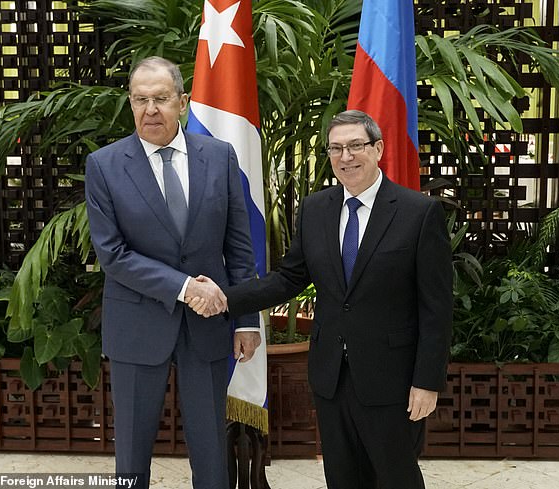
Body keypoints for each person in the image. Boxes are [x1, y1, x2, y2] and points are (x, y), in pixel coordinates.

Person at [189, 110, 452, 489]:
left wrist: (427, 381)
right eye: (336, 148)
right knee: (342, 478)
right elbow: (288, 278)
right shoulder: (316, 209)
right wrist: (224, 297)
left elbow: (436, 308)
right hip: (331, 376)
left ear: (377, 149)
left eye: (356, 146)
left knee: (397, 478)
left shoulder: (419, 213)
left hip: (392, 380)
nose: (346, 157)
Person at [84, 56, 261, 489]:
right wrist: (184, 288)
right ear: (130, 104)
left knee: (211, 453)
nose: (150, 110)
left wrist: (247, 319)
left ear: (182, 102)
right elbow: (113, 255)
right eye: (140, 100)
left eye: (161, 99)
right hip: (137, 325)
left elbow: (239, 246)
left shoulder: (219, 156)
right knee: (131, 453)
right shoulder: (104, 165)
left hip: (208, 327)